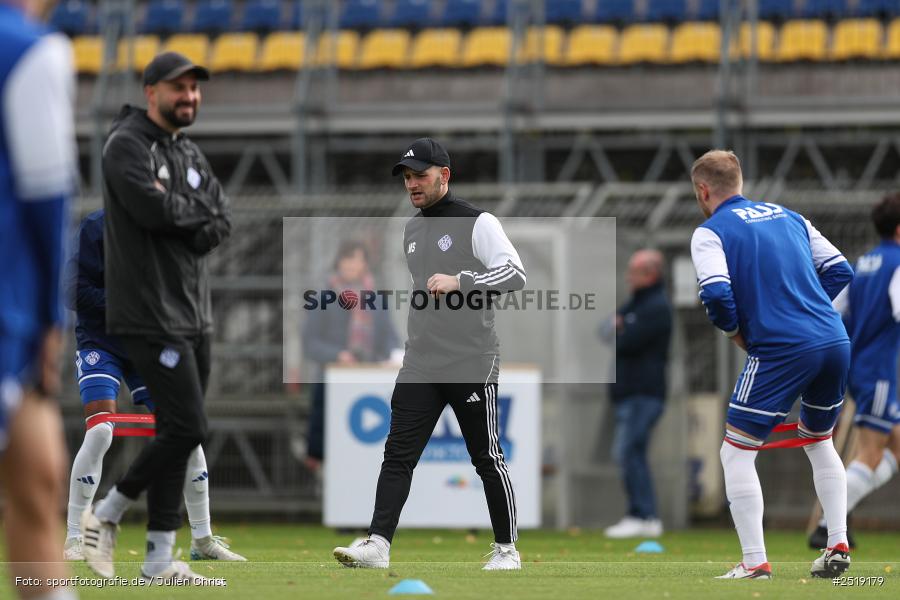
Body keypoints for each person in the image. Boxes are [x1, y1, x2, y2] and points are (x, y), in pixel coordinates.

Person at [332, 138, 526, 570]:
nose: (412, 184)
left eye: (420, 175)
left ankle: (507, 550)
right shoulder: (411, 228)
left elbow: (515, 274)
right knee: (397, 454)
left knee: (486, 456)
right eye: (407, 177)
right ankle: (378, 545)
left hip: (471, 359)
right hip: (421, 359)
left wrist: (462, 280)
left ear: (445, 175)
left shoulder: (479, 222)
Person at [80, 51, 232, 584]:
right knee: (188, 424)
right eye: (178, 88)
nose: (188, 97)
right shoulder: (126, 145)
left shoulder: (188, 151)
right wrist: (193, 215)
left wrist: (185, 212)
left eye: (195, 88)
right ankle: (108, 510)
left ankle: (158, 562)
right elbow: (151, 210)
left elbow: (221, 221)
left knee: (180, 433)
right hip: (148, 313)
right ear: (152, 92)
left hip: (194, 312)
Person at [689, 150, 854, 579]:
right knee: (819, 442)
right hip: (834, 338)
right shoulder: (791, 217)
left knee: (736, 450)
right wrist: (807, 303)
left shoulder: (710, 232)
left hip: (782, 347)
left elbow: (717, 295)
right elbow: (840, 269)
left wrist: (736, 333)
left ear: (703, 190)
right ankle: (837, 540)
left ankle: (754, 561)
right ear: (739, 181)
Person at [63, 210, 245, 563]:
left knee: (184, 430)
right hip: (101, 342)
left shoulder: (165, 229)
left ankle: (203, 539)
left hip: (149, 343)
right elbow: (73, 290)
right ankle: (74, 537)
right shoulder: (96, 227)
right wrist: (125, 305)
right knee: (101, 429)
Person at [0, 1, 78, 598]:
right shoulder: (30, 49)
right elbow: (48, 195)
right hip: (10, 313)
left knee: (38, 476)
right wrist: (51, 321)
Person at [808, 193, 900, 549]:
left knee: (894, 451)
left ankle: (832, 519)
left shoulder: (863, 264)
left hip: (856, 365)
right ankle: (828, 525)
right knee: (871, 454)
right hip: (878, 372)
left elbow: (835, 310)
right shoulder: (897, 263)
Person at [302, 240, 401, 471]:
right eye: (348, 258)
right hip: (331, 386)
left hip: (370, 385)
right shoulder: (323, 297)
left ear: (366, 265)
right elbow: (310, 343)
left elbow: (390, 337)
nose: (353, 265)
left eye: (358, 259)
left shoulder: (376, 298)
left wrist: (390, 357)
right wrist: (337, 355)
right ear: (339, 262)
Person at [603, 250, 671, 539]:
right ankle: (643, 515)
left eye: (635, 271)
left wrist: (622, 327)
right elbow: (606, 329)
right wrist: (620, 326)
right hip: (629, 393)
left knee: (628, 451)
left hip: (644, 393)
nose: (629, 276)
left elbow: (626, 340)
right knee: (632, 453)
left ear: (651, 274)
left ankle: (643, 515)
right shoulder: (637, 303)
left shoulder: (656, 306)